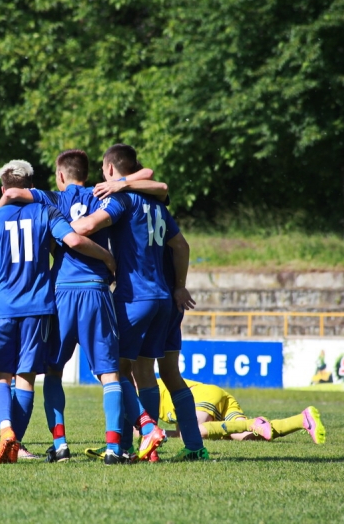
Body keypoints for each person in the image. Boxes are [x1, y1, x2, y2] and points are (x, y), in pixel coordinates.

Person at [0, 150, 169, 465]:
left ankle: (60, 444)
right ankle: (116, 446)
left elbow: (11, 193)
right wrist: (121, 184)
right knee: (110, 374)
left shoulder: (52, 198)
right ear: (89, 174)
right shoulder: (103, 194)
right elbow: (150, 177)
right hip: (97, 290)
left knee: (53, 371)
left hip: (61, 292)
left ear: (60, 176)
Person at [0, 160, 116, 464]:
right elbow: (73, 240)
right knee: (26, 378)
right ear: (31, 186)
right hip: (38, 307)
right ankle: (16, 441)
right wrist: (108, 258)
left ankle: (6, 430)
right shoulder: (46, 211)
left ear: (3, 189)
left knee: (0, 376)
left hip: (2, 307)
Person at [72, 143, 207, 462]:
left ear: (109, 169)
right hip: (165, 298)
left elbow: (87, 226)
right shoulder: (158, 205)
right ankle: (192, 446)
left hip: (135, 297)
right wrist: (179, 287)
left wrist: (60, 230)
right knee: (155, 371)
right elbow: (182, 246)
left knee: (116, 370)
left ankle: (125, 444)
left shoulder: (122, 200)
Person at [85, 379, 325, 458]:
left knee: (193, 432)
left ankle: (251, 422)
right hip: (219, 396)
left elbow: (141, 429)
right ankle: (302, 420)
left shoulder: (140, 391)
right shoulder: (144, 386)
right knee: (246, 437)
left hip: (201, 396)